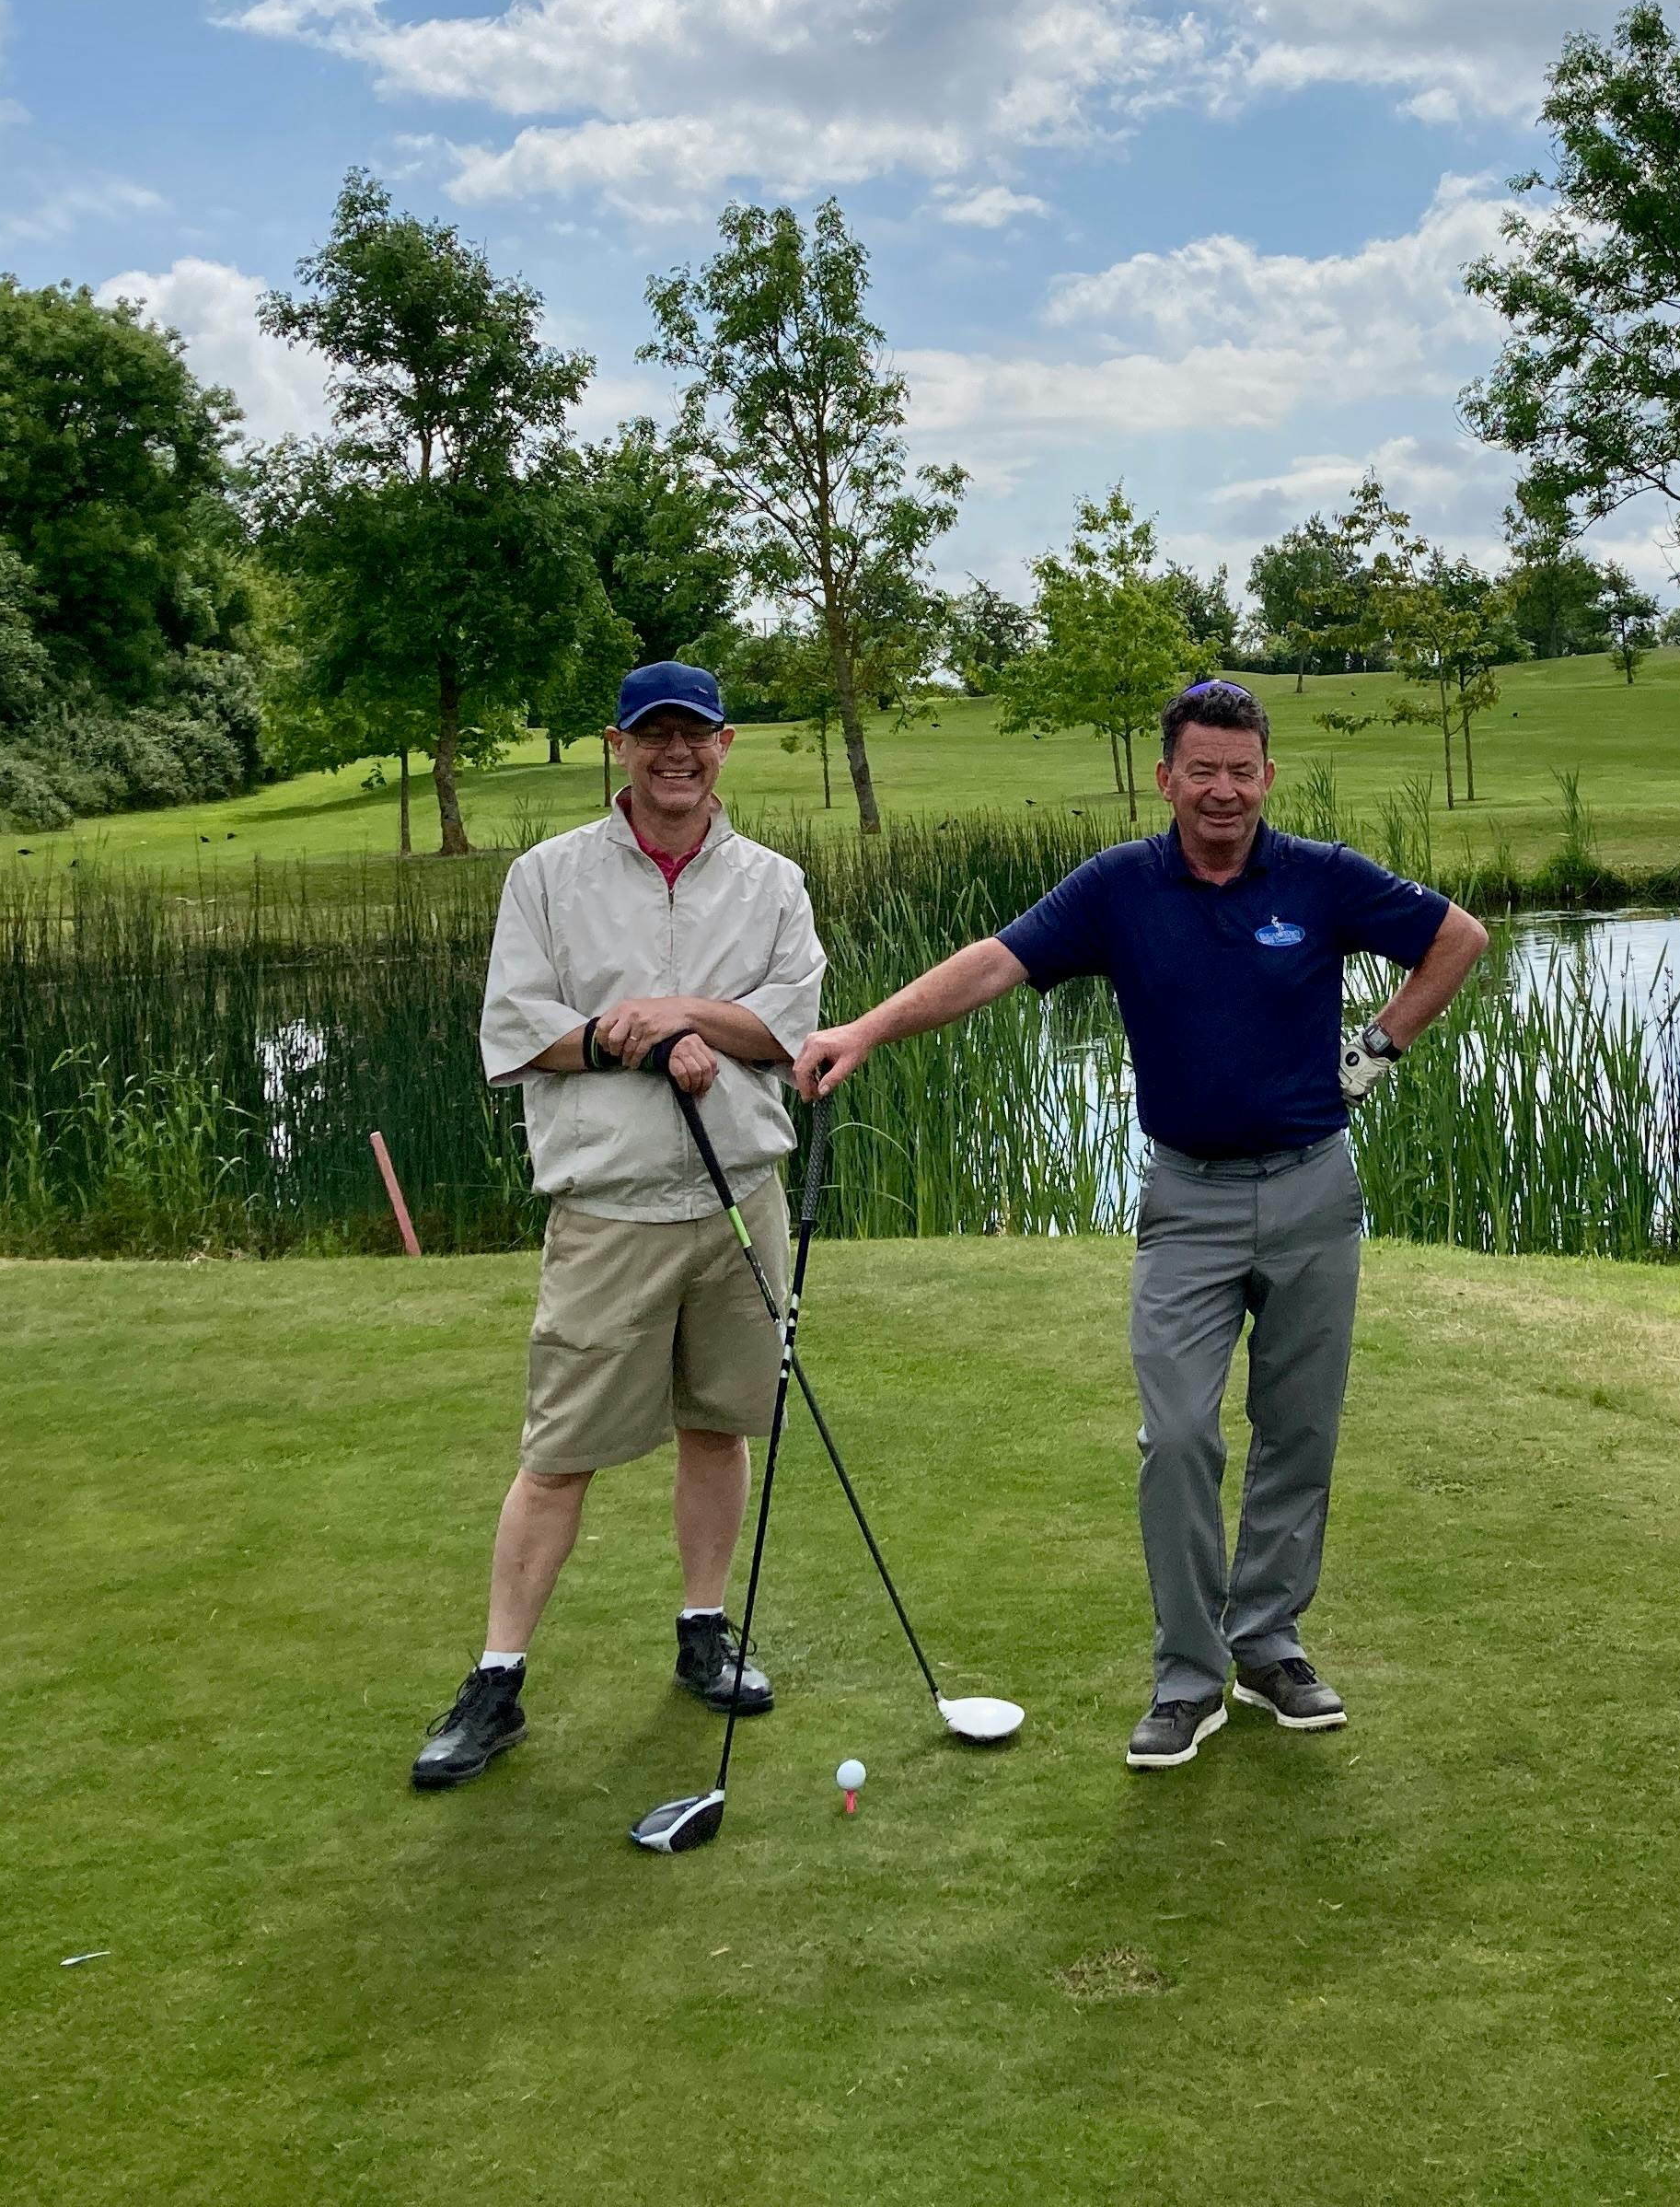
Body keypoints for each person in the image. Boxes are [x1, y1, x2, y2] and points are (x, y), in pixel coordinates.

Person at [794, 679, 1489, 1768]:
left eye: (1241, 769)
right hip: (1190, 1200)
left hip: (1314, 1188)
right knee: (1177, 1436)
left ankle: (1267, 1645)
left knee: (1299, 1431)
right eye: (1200, 770)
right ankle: (1187, 1675)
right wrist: (870, 1028)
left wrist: (1377, 1048)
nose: (1223, 790)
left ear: (1269, 773)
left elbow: (1459, 937)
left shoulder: (1322, 876)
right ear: (1164, 778)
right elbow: (996, 961)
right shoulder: (1121, 886)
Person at [411, 660, 829, 1790]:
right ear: (618, 745)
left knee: (721, 1424)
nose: (676, 754)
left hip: (740, 1196)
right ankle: (496, 1681)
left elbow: (787, 1028)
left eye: (695, 735)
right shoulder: (546, 878)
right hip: (609, 1209)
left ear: (726, 746)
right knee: (560, 1453)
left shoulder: (773, 883)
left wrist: (680, 1013)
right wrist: (623, 1039)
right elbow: (517, 1030)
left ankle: (704, 1629)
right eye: (654, 736)